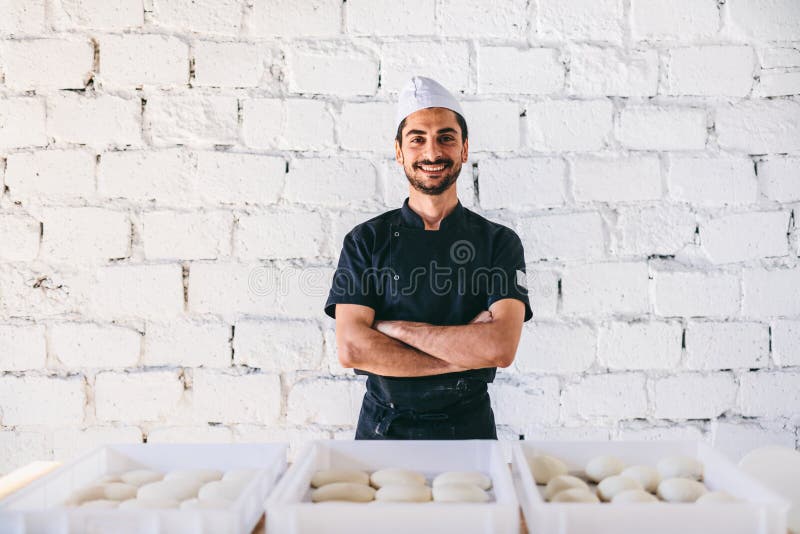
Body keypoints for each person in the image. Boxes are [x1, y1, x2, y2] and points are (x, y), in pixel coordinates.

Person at [324, 76, 533, 440]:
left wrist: (395, 329)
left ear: (464, 149)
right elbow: (353, 348)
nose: (432, 153)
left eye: (446, 138)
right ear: (399, 151)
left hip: (469, 433)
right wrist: (465, 355)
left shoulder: (499, 242)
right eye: (417, 139)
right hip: (383, 432)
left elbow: (500, 348)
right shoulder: (365, 241)